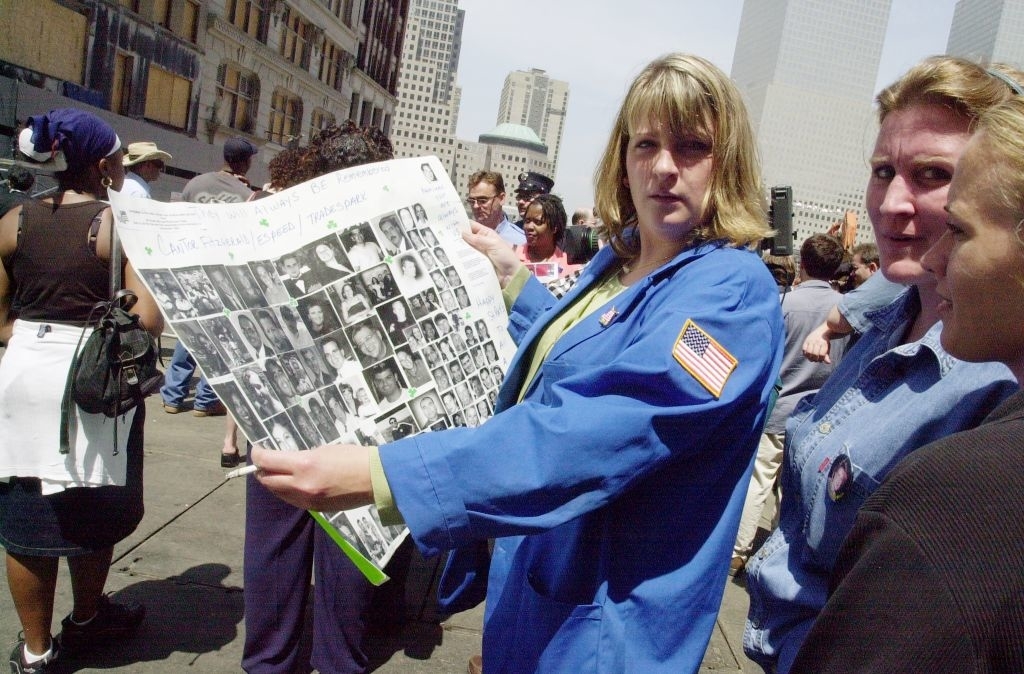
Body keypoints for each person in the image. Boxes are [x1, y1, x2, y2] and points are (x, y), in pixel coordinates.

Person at [252, 53, 785, 674]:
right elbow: (591, 354)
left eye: (692, 147)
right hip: (538, 597)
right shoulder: (623, 260)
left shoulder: (730, 292)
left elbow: (600, 429)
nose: (664, 167)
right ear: (622, 157)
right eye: (646, 144)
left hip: (604, 630)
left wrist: (386, 475)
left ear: (730, 163)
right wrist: (514, 282)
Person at [743, 56, 1022, 673]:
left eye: (932, 174)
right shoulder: (885, 313)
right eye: (882, 171)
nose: (894, 202)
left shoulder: (1000, 374)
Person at [241, 121, 411, 674]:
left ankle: (270, 661)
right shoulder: (389, 237)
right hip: (361, 421)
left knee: (274, 542)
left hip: (279, 413)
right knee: (352, 542)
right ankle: (340, 661)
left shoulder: (275, 230)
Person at [0, 108, 163, 673]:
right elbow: (146, 321)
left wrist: (35, 338)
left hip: (23, 379)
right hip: (95, 383)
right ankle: (89, 619)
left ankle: (36, 650)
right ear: (102, 165)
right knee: (95, 501)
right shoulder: (116, 225)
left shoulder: (15, 220)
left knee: (24, 522)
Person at [730, 234, 848, 577]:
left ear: (803, 263)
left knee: (757, 484)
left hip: (777, 408)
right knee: (793, 495)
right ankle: (778, 560)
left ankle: (737, 553)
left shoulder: (785, 303)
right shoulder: (845, 311)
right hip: (819, 414)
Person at [163, 137, 257, 416]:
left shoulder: (195, 184)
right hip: (224, 275)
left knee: (189, 332)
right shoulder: (245, 194)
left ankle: (172, 397)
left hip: (191, 269)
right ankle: (206, 401)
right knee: (219, 337)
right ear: (246, 162)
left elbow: (178, 222)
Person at [517, 193, 583, 283]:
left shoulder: (570, 268)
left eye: (538, 222)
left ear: (554, 227)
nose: (529, 227)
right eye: (527, 221)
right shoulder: (512, 257)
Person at [466, 171, 524, 245]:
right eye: (472, 201)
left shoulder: (521, 241)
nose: (475, 206)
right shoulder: (463, 235)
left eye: (482, 201)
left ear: (501, 199)